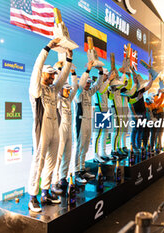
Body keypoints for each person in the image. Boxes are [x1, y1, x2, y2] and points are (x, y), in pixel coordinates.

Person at [28, 38, 73, 212]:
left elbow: (63, 77)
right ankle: (33, 196)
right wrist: (47, 48)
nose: (53, 77)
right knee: (38, 162)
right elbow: (37, 68)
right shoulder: (36, 89)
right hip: (42, 130)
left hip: (55, 128)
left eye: (54, 74)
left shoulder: (53, 89)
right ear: (42, 75)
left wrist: (69, 59)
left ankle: (45, 193)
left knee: (51, 163)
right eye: (50, 74)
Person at [74, 61, 113, 184]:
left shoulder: (89, 93)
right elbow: (80, 85)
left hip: (88, 121)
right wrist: (88, 70)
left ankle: (82, 169)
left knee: (85, 147)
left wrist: (101, 72)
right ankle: (76, 172)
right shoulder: (79, 94)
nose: (88, 84)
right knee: (80, 147)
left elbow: (97, 86)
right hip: (80, 122)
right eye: (87, 82)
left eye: (89, 83)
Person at [51, 67, 78, 195]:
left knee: (67, 155)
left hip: (69, 131)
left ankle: (63, 178)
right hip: (60, 129)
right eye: (66, 90)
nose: (68, 92)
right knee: (58, 157)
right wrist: (59, 70)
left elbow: (76, 87)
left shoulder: (69, 99)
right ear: (61, 89)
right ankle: (54, 182)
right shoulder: (57, 98)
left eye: (68, 90)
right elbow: (56, 85)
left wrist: (73, 74)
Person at [92, 68, 113, 163]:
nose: (107, 77)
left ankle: (103, 152)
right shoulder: (97, 84)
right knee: (98, 134)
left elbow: (110, 97)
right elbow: (100, 91)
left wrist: (112, 89)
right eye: (106, 75)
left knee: (105, 133)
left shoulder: (106, 85)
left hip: (106, 109)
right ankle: (95, 155)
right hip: (99, 109)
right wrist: (108, 81)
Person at [128, 73, 154, 150]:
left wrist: (152, 77)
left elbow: (149, 86)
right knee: (135, 130)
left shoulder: (140, 90)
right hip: (136, 113)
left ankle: (139, 146)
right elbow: (131, 104)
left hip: (143, 113)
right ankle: (134, 147)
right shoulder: (132, 91)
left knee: (140, 130)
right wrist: (134, 114)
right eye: (137, 80)